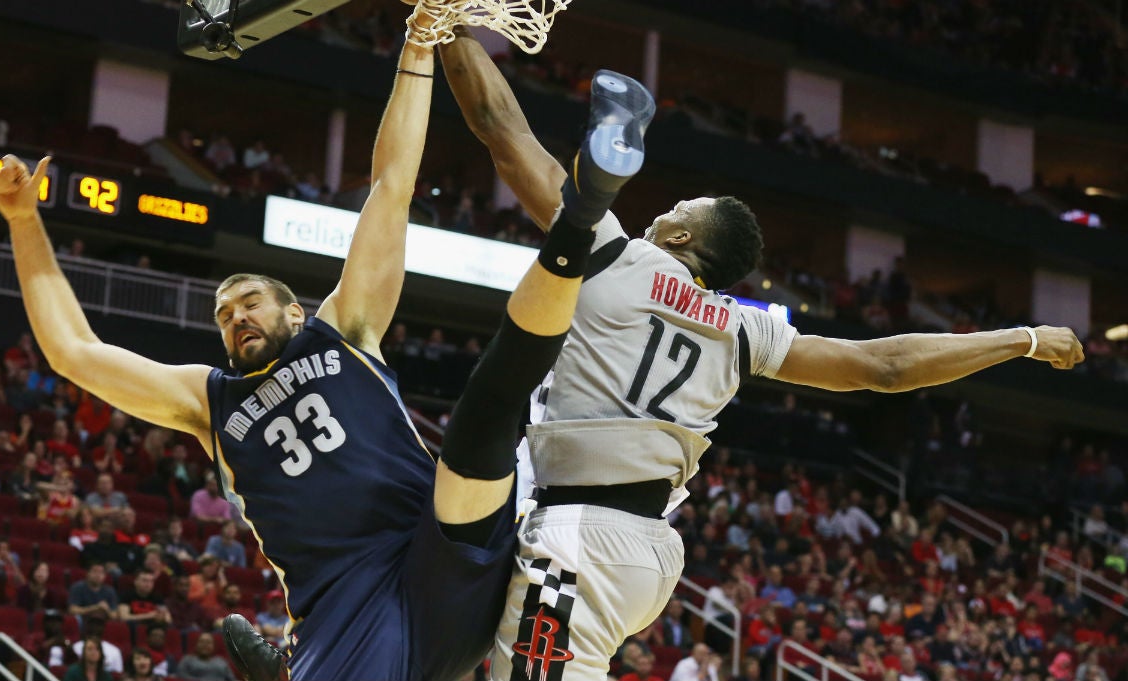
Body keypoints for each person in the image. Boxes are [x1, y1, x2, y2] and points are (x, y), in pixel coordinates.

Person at [0, 4, 644, 679]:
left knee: (482, 432)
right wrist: (22, 219)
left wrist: (418, 46)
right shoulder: (206, 399)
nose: (235, 318)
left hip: (438, 549)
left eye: (249, 303)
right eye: (222, 315)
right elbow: (73, 351)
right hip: (343, 607)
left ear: (294, 313)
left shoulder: (344, 327)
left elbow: (390, 187)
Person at [437, 24, 1086, 680]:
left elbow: (502, 129)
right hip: (643, 548)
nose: (663, 210)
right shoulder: (746, 328)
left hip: (583, 534)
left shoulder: (612, 251)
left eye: (678, 207)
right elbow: (884, 367)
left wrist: (446, 26)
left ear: (680, 235)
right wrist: (1021, 339)